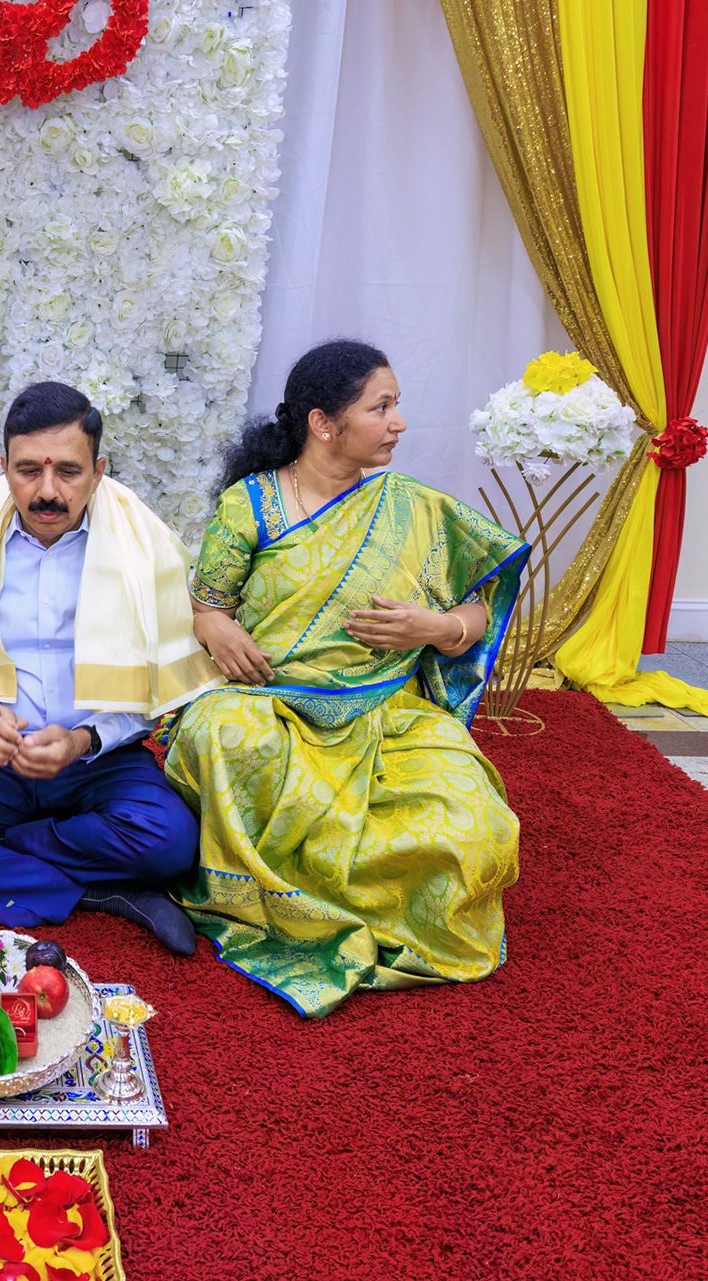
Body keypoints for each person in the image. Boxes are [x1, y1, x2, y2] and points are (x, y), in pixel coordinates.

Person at [164, 339, 529, 1017]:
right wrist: (213, 624)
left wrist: (435, 627)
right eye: (381, 407)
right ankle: (282, 902)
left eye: (396, 406)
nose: (399, 423)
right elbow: (204, 602)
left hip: (385, 711)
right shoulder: (252, 505)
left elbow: (480, 606)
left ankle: (335, 904)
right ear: (323, 423)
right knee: (220, 735)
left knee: (477, 828)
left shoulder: (413, 508)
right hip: (270, 705)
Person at [0, 381, 221, 953]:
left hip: (99, 762)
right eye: (29, 470)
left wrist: (84, 740)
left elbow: (158, 690)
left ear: (98, 472)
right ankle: (98, 892)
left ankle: (0, 852)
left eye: (69, 472)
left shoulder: (142, 547)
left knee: (172, 841)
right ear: (4, 467)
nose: (48, 491)